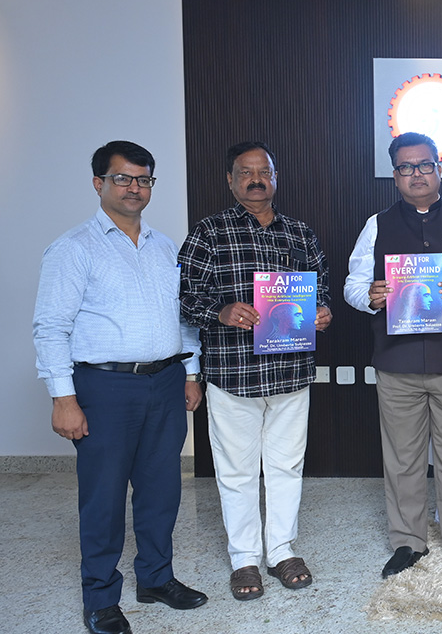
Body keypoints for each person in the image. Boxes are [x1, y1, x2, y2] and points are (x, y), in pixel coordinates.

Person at [34, 141, 208, 634]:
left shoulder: (165, 247)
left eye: (143, 179)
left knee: (161, 490)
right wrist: (63, 398)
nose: (134, 188)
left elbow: (184, 318)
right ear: (99, 183)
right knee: (104, 497)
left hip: (166, 382)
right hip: (104, 388)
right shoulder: (73, 248)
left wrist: (190, 373)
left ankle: (156, 578)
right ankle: (100, 597)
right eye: (123, 178)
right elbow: (51, 327)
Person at [179, 141, 331, 600]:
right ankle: (244, 558)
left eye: (263, 171)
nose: (256, 179)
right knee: (236, 471)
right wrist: (221, 311)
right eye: (245, 172)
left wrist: (322, 311)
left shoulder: (300, 233)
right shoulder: (209, 232)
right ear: (230, 180)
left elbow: (320, 288)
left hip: (291, 373)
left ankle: (281, 550)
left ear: (275, 178)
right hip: (234, 374)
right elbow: (184, 297)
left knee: (287, 465)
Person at [344, 132, 442, 579]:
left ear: (439, 169)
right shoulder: (377, 224)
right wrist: (370, 296)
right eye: (406, 168)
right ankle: (408, 541)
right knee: (403, 458)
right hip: (397, 363)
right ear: (395, 175)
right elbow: (352, 286)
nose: (417, 174)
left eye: (425, 165)